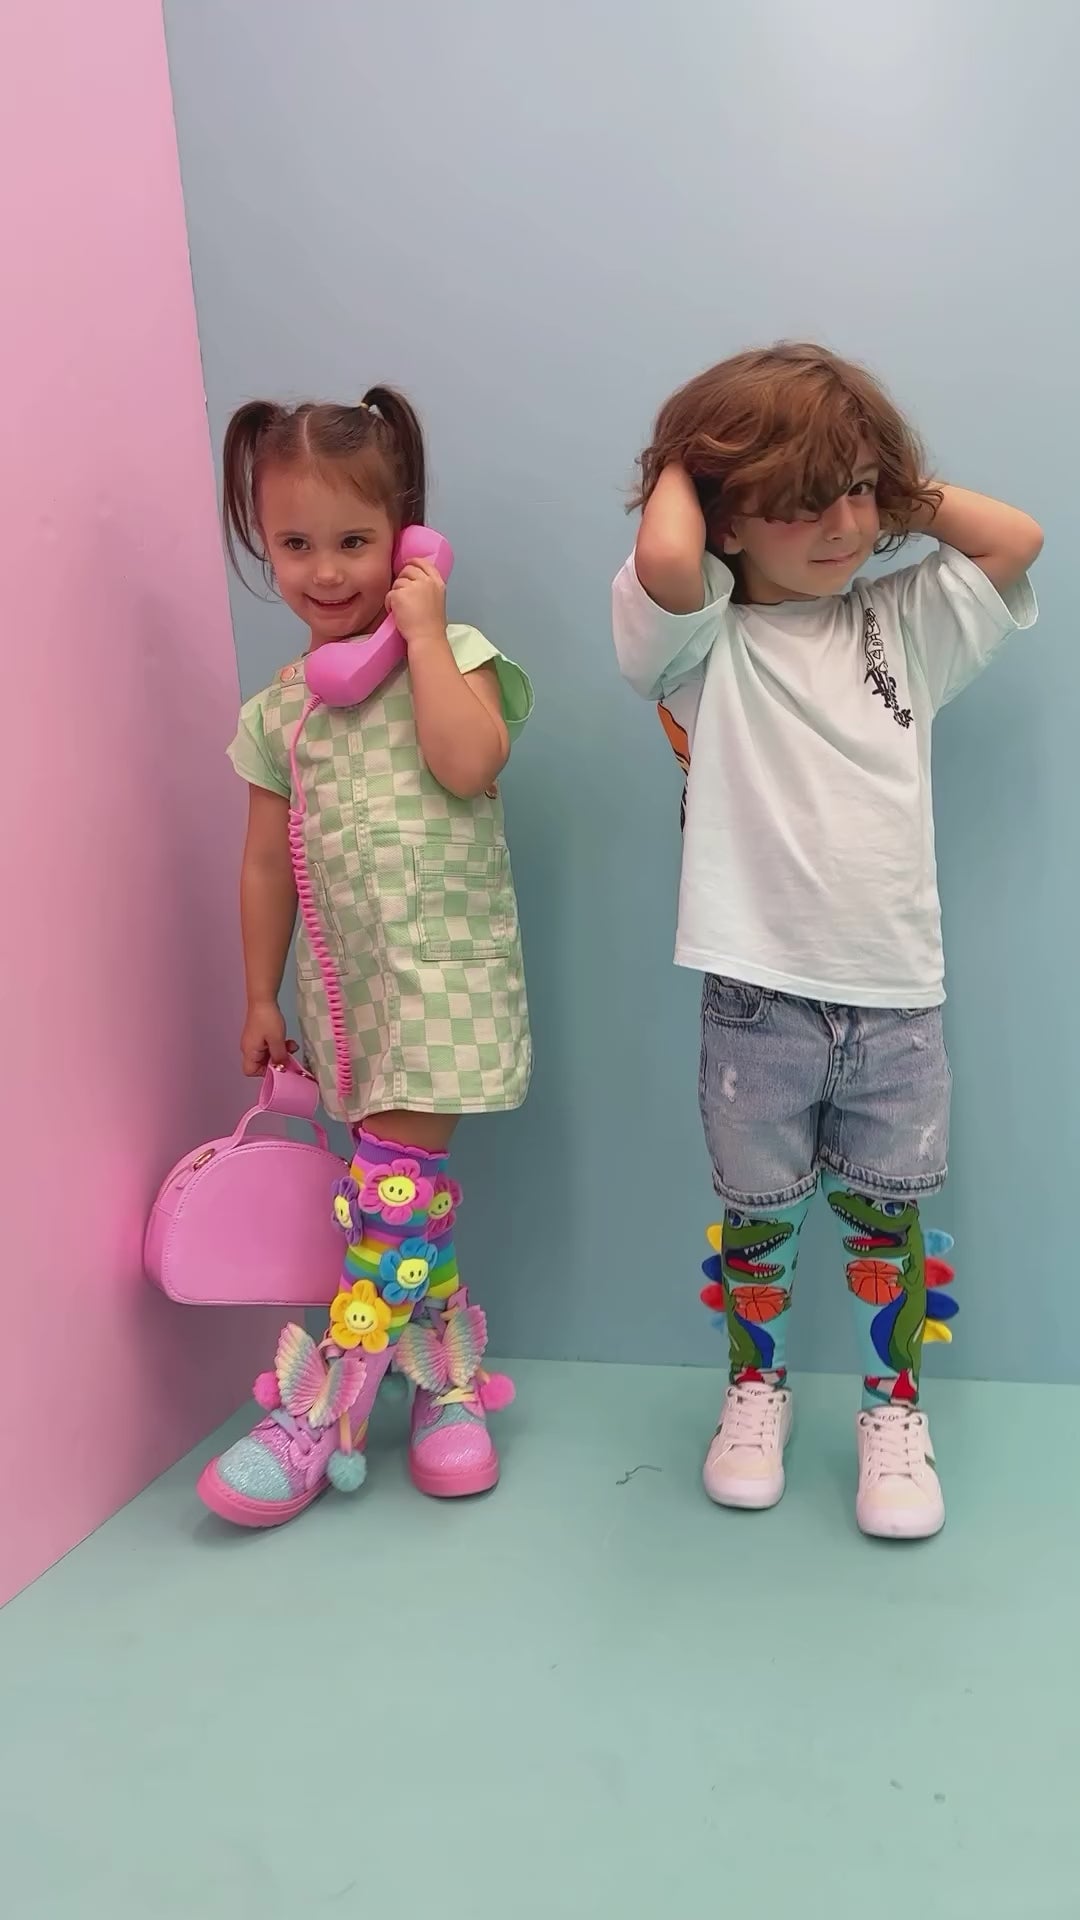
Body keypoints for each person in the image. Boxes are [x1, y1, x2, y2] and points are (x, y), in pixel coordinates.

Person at [612, 343, 1041, 1539]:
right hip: (757, 997)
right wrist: (685, 458)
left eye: (856, 494)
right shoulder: (698, 642)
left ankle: (892, 1410)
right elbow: (666, 560)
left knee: (884, 1221)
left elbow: (1015, 542)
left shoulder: (903, 622)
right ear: (726, 515)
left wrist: (890, 485)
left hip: (897, 993)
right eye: (801, 502)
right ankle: (755, 1391)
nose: (843, 525)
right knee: (759, 1217)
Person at [198, 386, 532, 1527]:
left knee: (388, 1194)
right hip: (347, 998)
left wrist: (423, 635)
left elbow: (470, 764)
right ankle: (446, 1381)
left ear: (406, 539)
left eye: (355, 541)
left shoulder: (456, 656)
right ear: (262, 545)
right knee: (403, 1204)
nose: (327, 570)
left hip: (444, 985)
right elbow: (263, 866)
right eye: (296, 544)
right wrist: (258, 992)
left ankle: (316, 1414)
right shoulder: (277, 712)